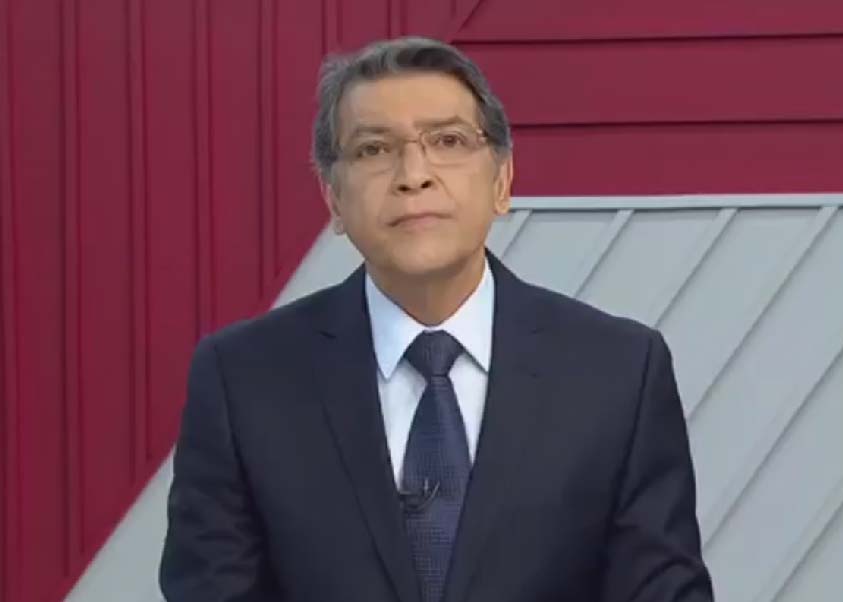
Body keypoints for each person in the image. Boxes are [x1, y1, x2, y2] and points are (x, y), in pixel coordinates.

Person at [159, 36, 713, 602]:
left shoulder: (618, 372)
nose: (413, 174)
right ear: (334, 200)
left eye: (447, 140)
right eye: (374, 149)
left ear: (501, 182)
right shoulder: (243, 380)